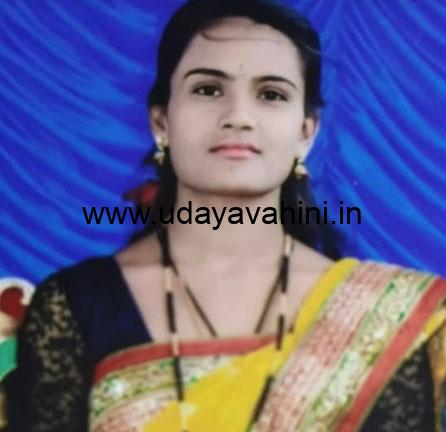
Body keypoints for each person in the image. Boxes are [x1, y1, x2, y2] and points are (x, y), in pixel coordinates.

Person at [4, 0, 446, 431]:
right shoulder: (78, 307)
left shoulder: (381, 319)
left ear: (306, 133)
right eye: (208, 89)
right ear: (161, 121)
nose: (238, 117)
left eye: (271, 95)